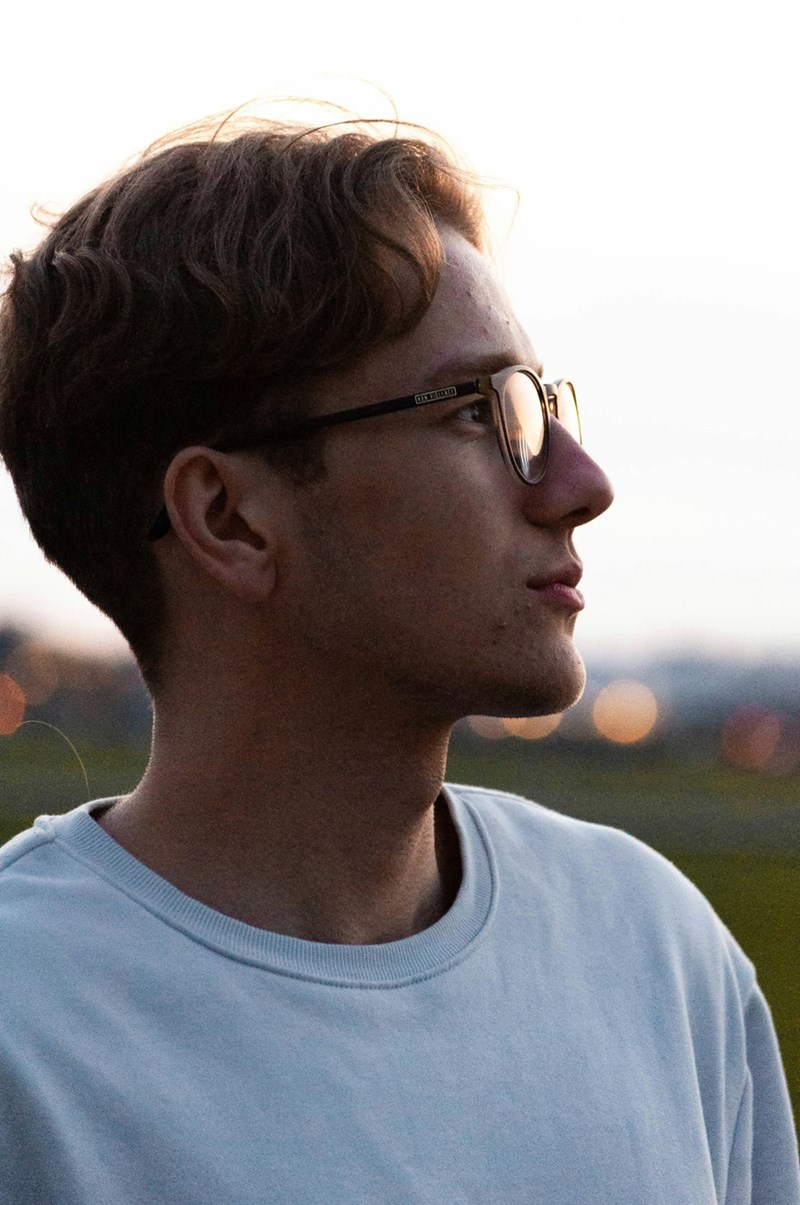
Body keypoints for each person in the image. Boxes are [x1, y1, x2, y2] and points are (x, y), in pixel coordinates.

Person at [0, 110, 797, 1205]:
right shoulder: (25, 1032)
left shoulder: (653, 951)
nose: (579, 482)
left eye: (542, 404)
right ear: (228, 518)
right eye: (483, 412)